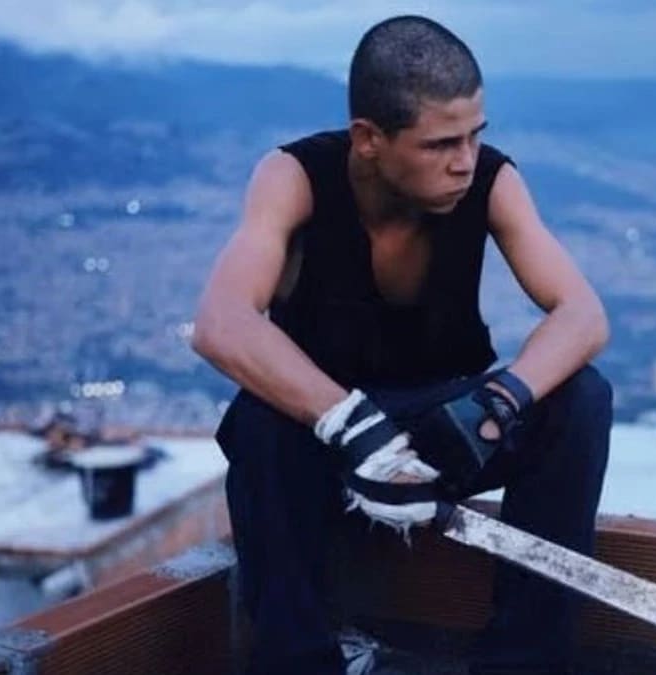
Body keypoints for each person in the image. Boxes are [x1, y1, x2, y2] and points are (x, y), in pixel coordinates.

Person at [192, 14, 612, 675]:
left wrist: (498, 401)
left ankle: (524, 661)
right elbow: (221, 322)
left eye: (474, 135)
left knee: (581, 398)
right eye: (440, 143)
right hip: (327, 447)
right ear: (369, 139)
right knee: (257, 422)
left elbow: (583, 315)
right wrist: (352, 427)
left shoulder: (493, 180)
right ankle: (300, 661)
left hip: (451, 433)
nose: (464, 161)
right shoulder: (295, 176)